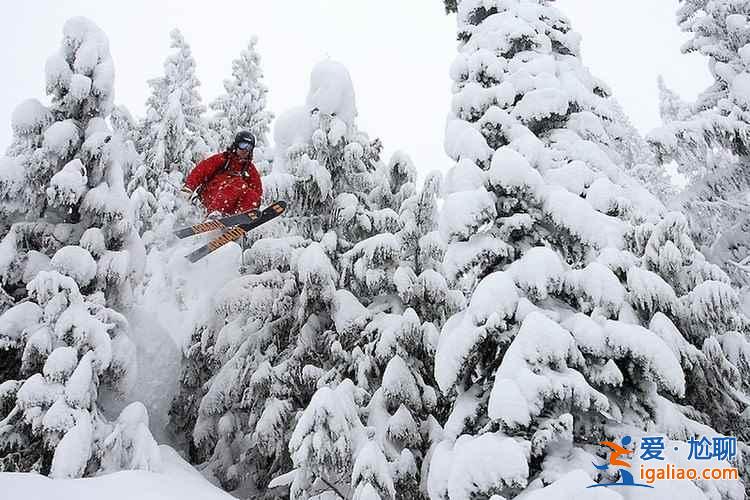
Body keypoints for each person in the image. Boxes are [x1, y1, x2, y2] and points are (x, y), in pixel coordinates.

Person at [181, 131, 263, 215]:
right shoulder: (223, 159)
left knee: (251, 194)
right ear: (236, 145)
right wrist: (188, 188)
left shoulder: (249, 168)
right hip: (211, 196)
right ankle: (215, 214)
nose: (245, 150)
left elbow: (257, 190)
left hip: (230, 207)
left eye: (249, 147)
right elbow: (201, 171)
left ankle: (242, 218)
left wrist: (256, 204)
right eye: (243, 145)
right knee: (237, 184)